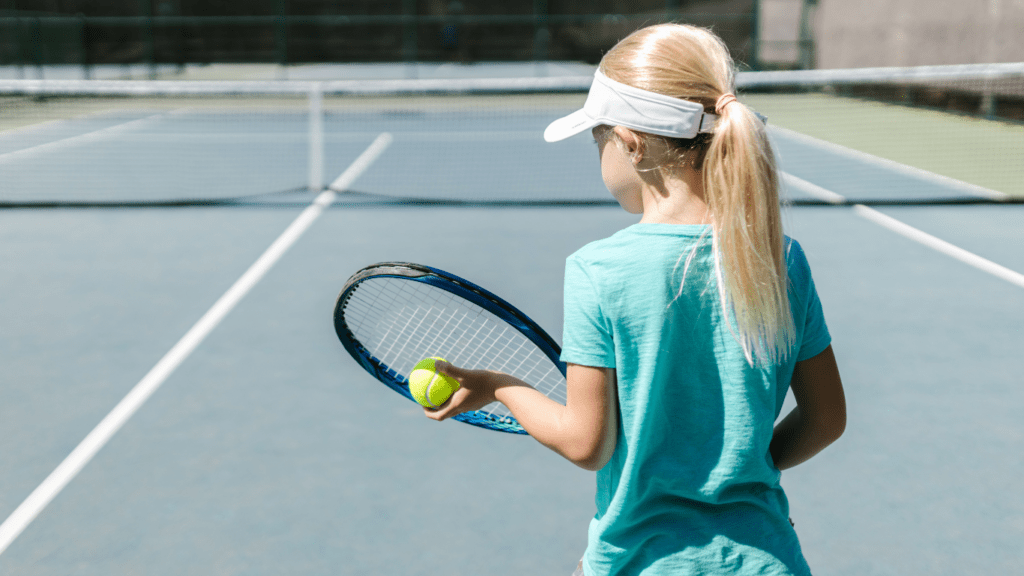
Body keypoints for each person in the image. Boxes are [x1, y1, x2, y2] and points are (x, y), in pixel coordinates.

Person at [425, 23, 846, 576]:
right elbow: (826, 419)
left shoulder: (599, 271)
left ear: (631, 143)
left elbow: (587, 444)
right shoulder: (781, 258)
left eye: (596, 138)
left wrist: (501, 386)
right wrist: (744, 469)